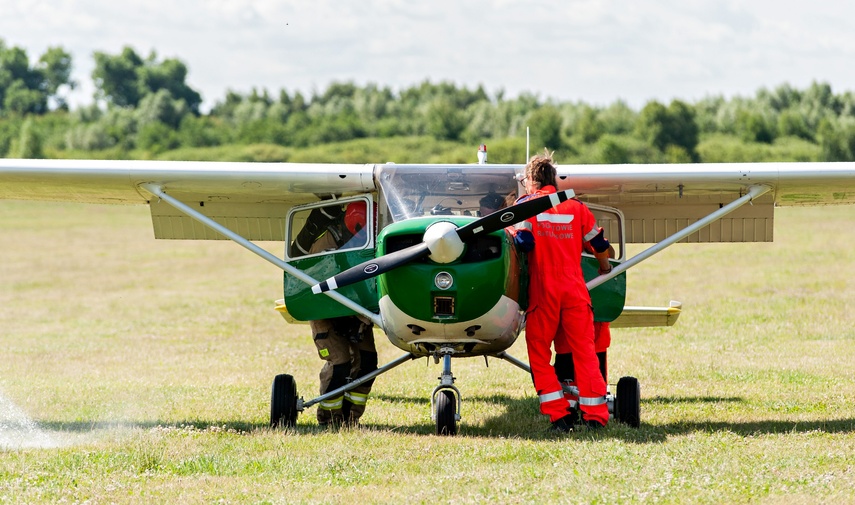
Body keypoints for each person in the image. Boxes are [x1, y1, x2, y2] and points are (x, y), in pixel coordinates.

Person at [513, 150, 613, 433]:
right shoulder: (576, 207)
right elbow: (600, 244)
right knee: (585, 352)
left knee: (538, 353)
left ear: (531, 181)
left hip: (543, 291)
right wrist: (604, 268)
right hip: (575, 289)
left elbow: (523, 242)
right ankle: (596, 416)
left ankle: (559, 415)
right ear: (554, 180)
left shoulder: (525, 206)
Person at [307, 201, 378, 428]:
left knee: (368, 362)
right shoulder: (322, 248)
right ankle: (328, 419)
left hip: (358, 312)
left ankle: (350, 418)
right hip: (325, 310)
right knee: (340, 364)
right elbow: (316, 291)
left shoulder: (372, 241)